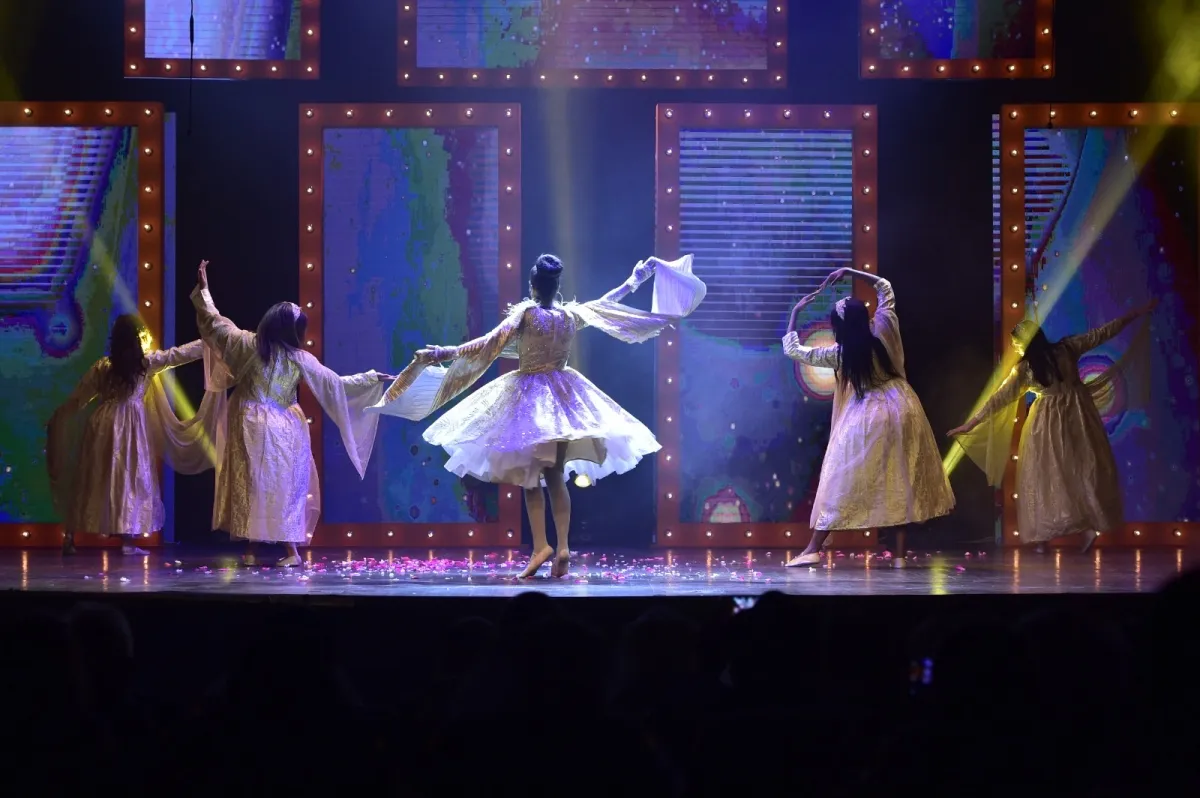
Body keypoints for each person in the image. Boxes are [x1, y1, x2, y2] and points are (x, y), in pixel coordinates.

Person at [376, 254, 699, 579]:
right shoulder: (570, 316)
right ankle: (562, 547)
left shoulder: (526, 314)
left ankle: (542, 546)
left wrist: (442, 353)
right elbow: (605, 304)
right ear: (557, 286)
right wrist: (634, 281)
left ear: (533, 286)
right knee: (554, 475)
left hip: (531, 399)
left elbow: (487, 344)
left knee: (531, 479)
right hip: (564, 396)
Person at [190, 260, 390, 567]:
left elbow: (215, 323)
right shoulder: (290, 355)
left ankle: (268, 550)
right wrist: (370, 378)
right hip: (278, 428)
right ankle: (277, 550)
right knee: (278, 487)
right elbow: (336, 383)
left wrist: (205, 292)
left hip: (255, 424)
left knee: (257, 484)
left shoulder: (249, 344)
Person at [948, 300, 1156, 553]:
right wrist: (1136, 313)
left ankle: (1051, 536)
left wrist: (971, 423)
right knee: (1080, 468)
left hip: (1050, 422)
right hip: (1077, 414)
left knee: (1050, 473)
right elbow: (1102, 333)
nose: (1015, 347)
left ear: (1025, 343)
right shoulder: (1064, 350)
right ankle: (1070, 530)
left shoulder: (1028, 368)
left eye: (1016, 343)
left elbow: (998, 399)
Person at [781, 268, 954, 567]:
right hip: (904, 408)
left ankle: (813, 548)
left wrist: (796, 312)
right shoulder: (883, 330)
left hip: (869, 416)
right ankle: (899, 556)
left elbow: (794, 350)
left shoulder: (841, 353)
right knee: (898, 478)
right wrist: (850, 272)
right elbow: (885, 287)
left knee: (839, 478)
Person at [47, 314, 212, 556]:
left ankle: (70, 536)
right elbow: (177, 355)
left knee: (95, 476)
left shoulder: (103, 366)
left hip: (102, 424)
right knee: (128, 478)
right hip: (131, 425)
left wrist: (60, 414)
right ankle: (126, 541)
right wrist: (210, 342)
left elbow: (80, 397)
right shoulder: (145, 364)